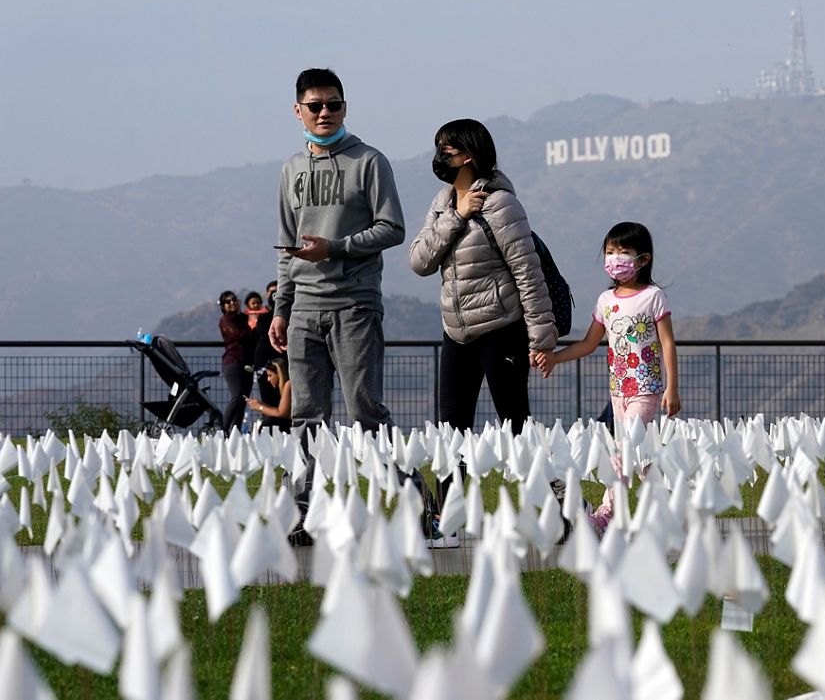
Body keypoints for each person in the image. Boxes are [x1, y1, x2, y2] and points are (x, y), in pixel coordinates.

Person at [268, 68, 406, 540]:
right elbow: (285, 246)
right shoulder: (290, 170)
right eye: (315, 105)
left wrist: (337, 247)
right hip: (304, 307)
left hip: (354, 304)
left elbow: (393, 228)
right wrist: (281, 308)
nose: (325, 113)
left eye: (334, 104)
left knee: (365, 411)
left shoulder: (369, 161)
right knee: (306, 416)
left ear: (345, 107)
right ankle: (305, 515)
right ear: (298, 111)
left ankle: (412, 503)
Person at [408, 118, 558, 546]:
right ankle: (450, 521)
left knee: (515, 424)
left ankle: (551, 512)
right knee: (450, 430)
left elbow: (528, 272)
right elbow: (419, 261)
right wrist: (456, 216)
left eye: (446, 151)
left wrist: (541, 337)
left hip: (501, 329)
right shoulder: (442, 202)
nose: (439, 158)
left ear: (469, 155)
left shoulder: (501, 204)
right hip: (456, 333)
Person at [535, 222, 681, 534]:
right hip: (619, 390)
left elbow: (667, 342)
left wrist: (672, 387)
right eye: (610, 252)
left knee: (623, 452)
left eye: (623, 252)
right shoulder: (606, 301)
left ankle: (607, 515)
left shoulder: (653, 297)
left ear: (642, 259)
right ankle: (674, 502)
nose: (614, 258)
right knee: (639, 455)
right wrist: (555, 357)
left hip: (646, 388)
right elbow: (589, 343)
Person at [217, 290, 254, 434]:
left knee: (243, 399)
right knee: (237, 396)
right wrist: (251, 328)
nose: (232, 303)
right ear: (223, 306)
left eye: (234, 300)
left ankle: (235, 430)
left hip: (247, 363)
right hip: (233, 362)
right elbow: (237, 335)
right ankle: (224, 429)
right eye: (228, 301)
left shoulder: (243, 318)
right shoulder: (225, 320)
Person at [254, 280, 285, 408]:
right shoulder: (263, 318)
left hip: (282, 362)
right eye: (272, 292)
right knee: (268, 397)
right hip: (265, 361)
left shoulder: (289, 317)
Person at [247, 358, 292, 431]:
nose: (268, 379)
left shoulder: (288, 384)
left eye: (270, 375)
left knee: (269, 422)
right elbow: (279, 411)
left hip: (292, 425)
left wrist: (260, 407)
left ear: (279, 374)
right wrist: (261, 405)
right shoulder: (284, 387)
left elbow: (282, 413)